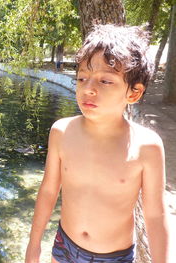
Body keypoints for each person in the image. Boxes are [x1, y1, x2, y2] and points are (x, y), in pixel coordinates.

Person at [25, 24, 170, 263]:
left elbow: (155, 214)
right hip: (64, 246)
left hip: (114, 257)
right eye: (82, 78)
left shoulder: (147, 147)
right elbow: (49, 191)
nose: (89, 89)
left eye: (105, 81)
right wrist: (34, 245)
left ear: (133, 93)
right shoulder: (61, 132)